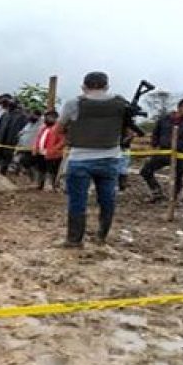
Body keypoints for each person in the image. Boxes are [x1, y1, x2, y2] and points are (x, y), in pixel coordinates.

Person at [58, 71, 130, 247]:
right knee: (107, 199)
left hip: (80, 158)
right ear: (106, 86)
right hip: (110, 158)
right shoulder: (121, 103)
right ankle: (101, 236)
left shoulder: (74, 103)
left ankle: (74, 240)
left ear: (84, 86)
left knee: (77, 201)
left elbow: (60, 127)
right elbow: (128, 131)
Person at [140, 98, 183, 203]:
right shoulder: (165, 119)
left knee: (177, 177)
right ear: (180, 107)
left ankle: (173, 199)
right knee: (146, 171)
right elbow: (156, 132)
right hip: (163, 151)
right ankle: (156, 192)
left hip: (180, 154)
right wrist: (154, 145)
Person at [0, 97, 27, 175]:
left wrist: (19, 140)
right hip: (0, 140)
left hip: (11, 141)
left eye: (12, 104)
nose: (10, 106)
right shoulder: (5, 114)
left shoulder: (21, 116)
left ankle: (2, 174)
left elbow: (23, 130)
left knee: (6, 159)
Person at [33, 110, 66, 190]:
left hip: (53, 154)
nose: (46, 119)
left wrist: (54, 149)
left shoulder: (59, 128)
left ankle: (50, 185)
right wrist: (36, 147)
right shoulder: (43, 127)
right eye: (46, 117)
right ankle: (39, 183)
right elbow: (38, 138)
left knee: (51, 170)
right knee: (40, 168)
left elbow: (63, 141)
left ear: (55, 118)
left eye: (49, 117)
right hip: (41, 152)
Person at [17, 109, 43, 180]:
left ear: (38, 116)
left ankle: (35, 179)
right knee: (24, 162)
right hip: (24, 147)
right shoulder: (29, 123)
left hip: (33, 148)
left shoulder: (41, 124)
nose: (31, 116)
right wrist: (21, 133)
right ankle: (31, 178)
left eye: (33, 115)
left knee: (29, 163)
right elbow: (23, 131)